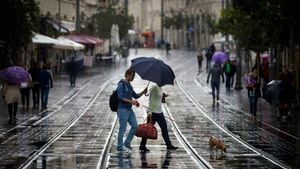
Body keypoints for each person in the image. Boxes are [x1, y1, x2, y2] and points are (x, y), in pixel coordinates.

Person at [139, 83, 178, 152]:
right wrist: (149, 112)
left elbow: (159, 97)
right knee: (149, 129)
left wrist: (163, 95)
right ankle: (142, 145)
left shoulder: (159, 87)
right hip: (153, 112)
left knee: (160, 128)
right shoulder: (154, 87)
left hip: (158, 111)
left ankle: (168, 144)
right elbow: (151, 99)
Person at [116, 68, 147, 151]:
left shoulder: (129, 85)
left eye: (133, 76)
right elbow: (120, 97)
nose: (133, 78)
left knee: (135, 126)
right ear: (127, 75)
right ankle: (119, 146)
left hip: (129, 110)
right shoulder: (121, 84)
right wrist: (131, 101)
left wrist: (143, 92)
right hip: (122, 109)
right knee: (122, 128)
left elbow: (135, 95)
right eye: (132, 76)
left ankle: (127, 142)